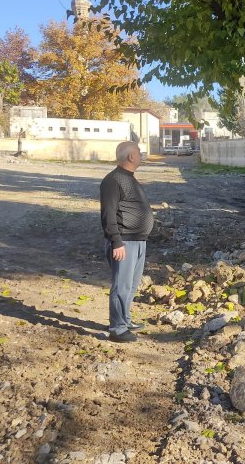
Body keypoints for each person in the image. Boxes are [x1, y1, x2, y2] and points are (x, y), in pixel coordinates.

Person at [100, 141, 154, 343]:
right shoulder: (113, 181)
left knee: (131, 286)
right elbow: (109, 214)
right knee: (121, 286)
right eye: (139, 152)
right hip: (124, 242)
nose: (141, 154)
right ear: (130, 157)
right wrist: (116, 242)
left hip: (138, 241)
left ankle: (125, 319)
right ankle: (117, 328)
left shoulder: (128, 178)